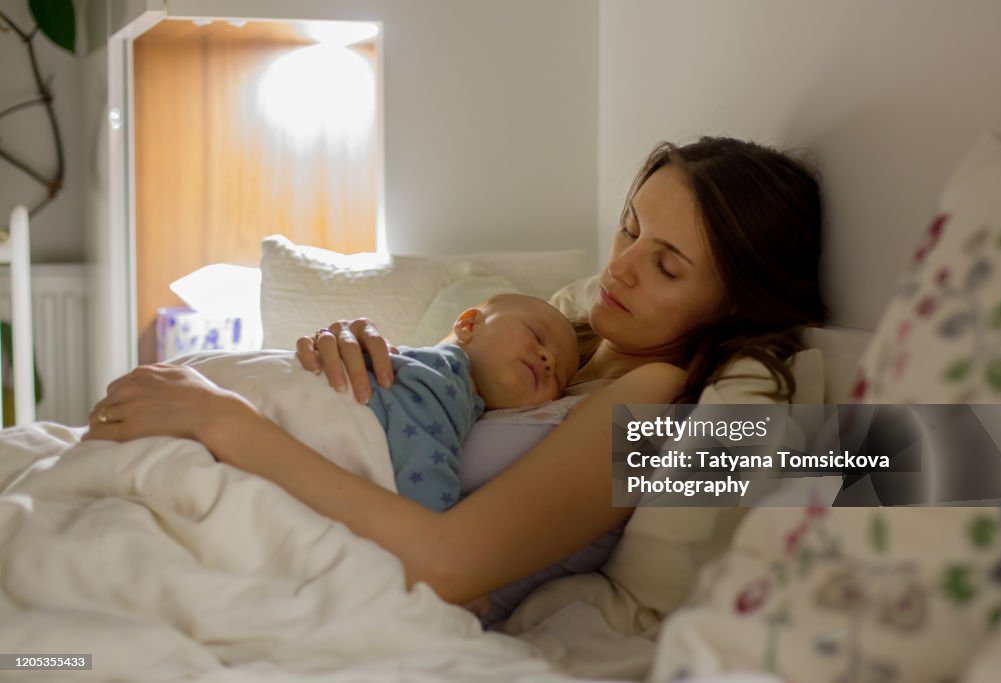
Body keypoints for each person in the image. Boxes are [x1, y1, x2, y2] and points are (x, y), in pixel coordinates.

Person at [86, 136, 825, 611]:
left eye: (666, 264)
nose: (620, 268)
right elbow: (419, 399)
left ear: (733, 303)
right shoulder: (558, 338)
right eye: (630, 227)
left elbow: (447, 561)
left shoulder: (653, 399)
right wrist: (358, 350)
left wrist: (224, 420)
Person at [340, 292, 579, 511]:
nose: (549, 360)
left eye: (558, 379)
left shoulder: (617, 403)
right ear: (468, 325)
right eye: (536, 335)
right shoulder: (445, 374)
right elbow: (420, 460)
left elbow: (618, 499)